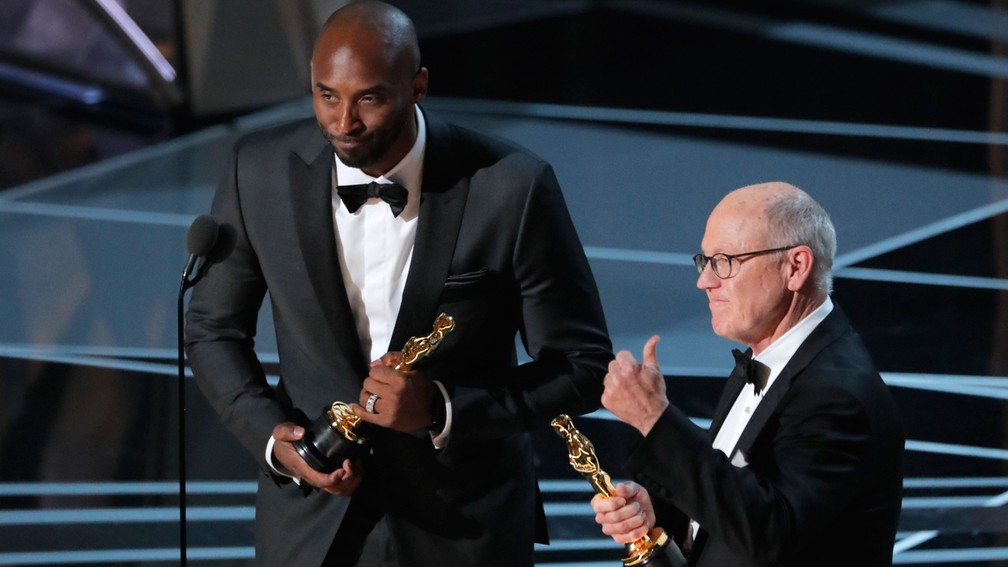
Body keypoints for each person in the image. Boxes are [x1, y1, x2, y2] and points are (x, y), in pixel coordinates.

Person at [183, 2, 612, 566]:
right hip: (312, 526)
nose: (343, 122)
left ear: (418, 86)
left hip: (463, 526)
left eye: (369, 98)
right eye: (326, 95)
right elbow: (213, 328)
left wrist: (442, 409)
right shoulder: (258, 172)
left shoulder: (510, 187)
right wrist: (277, 444)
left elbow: (581, 363)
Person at [592, 182, 904, 567]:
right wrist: (660, 512)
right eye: (704, 261)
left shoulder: (835, 394)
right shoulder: (767, 359)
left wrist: (654, 419)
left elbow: (773, 537)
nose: (704, 281)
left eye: (725, 261)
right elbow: (736, 504)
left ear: (796, 267)